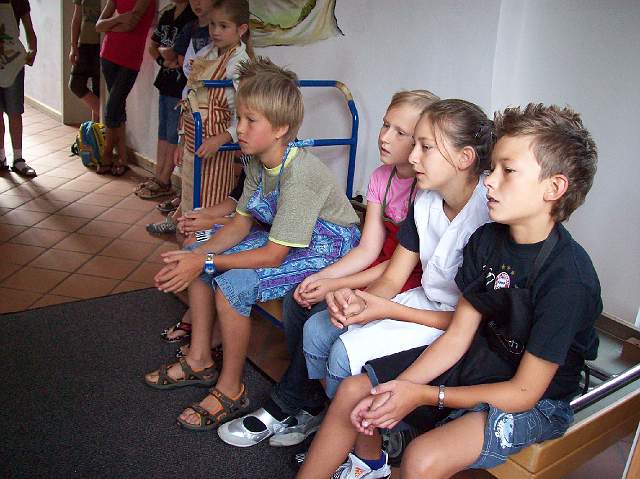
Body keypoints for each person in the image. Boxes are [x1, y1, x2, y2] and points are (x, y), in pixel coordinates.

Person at [297, 103, 601, 479]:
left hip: (538, 398)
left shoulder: (568, 279)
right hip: (482, 357)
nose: (489, 181)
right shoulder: (487, 240)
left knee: (422, 458)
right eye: (493, 168)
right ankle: (370, 465)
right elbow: (458, 336)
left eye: (508, 171)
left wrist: (423, 394)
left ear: (554, 188)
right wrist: (401, 388)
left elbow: (523, 392)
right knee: (352, 392)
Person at [144, 58, 361, 434]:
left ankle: (231, 388)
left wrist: (207, 261)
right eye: (239, 118)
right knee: (199, 251)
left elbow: (274, 255)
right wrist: (200, 255)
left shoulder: (301, 174)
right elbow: (242, 220)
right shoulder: (258, 160)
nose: (239, 129)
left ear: (280, 129)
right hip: (288, 237)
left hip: (328, 246)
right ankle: (199, 359)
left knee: (231, 283)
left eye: (250, 120)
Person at [217, 90, 441, 448]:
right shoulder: (381, 178)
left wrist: (342, 284)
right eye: (385, 125)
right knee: (299, 297)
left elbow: (396, 267)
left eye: (401, 132)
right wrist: (323, 278)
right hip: (376, 269)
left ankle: (287, 403)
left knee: (324, 322)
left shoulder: (425, 190)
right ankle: (313, 401)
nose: (385, 137)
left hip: (403, 281)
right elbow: (369, 248)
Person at [301, 100, 495, 401]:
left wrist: (382, 308)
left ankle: (342, 416)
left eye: (425, 147)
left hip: (455, 321)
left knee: (342, 353)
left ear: (465, 157)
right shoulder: (425, 200)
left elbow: (469, 322)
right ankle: (327, 409)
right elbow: (393, 277)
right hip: (425, 301)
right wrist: (360, 302)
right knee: (318, 328)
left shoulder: (489, 215)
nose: (413, 156)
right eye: (415, 144)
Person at [148, 0, 251, 234]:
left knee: (210, 198)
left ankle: (201, 244)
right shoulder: (206, 53)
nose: (215, 31)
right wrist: (182, 140)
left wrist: (221, 139)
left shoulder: (240, 64)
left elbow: (245, 114)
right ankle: (183, 226)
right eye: (213, 25)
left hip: (216, 146)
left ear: (241, 29)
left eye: (223, 26)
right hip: (192, 139)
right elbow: (189, 97)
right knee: (189, 190)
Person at [134, 0, 195, 200]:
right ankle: (159, 175)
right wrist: (164, 60)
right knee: (163, 131)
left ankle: (164, 179)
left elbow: (184, 55)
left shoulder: (192, 17)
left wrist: (175, 59)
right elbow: (154, 46)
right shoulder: (168, 14)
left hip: (181, 85)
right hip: (165, 81)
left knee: (172, 133)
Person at [95, 0, 155, 176]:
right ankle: (122, 156)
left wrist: (110, 25)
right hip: (109, 55)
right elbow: (98, 26)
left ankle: (107, 154)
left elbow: (131, 25)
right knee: (117, 107)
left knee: (112, 108)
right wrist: (119, 19)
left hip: (130, 60)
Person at [0, 0, 37, 177]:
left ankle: (18, 159)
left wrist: (32, 50)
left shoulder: (18, 1)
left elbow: (29, 29)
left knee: (15, 112)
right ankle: (1, 157)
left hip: (13, 62)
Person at [68, 0, 101, 122]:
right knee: (75, 84)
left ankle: (98, 130)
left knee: (99, 90)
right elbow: (77, 18)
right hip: (84, 44)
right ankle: (109, 120)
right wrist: (73, 46)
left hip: (103, 44)